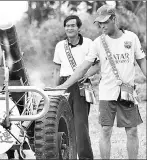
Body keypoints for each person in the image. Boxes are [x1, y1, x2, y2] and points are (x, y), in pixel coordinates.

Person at [56, 5, 147, 160]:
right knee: (105, 130)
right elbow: (82, 68)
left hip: (127, 92)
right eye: (99, 23)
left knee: (131, 131)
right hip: (107, 93)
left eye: (105, 22)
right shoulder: (98, 43)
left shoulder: (131, 38)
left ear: (114, 19)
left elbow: (142, 62)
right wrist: (63, 86)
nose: (102, 26)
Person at [48, 15, 100, 160]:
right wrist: (55, 89)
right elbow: (56, 70)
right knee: (62, 122)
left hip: (81, 86)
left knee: (80, 124)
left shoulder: (89, 43)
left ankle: (85, 157)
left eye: (73, 25)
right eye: (67, 25)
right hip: (63, 85)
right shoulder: (60, 46)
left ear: (78, 28)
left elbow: (97, 65)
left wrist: (86, 74)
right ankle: (67, 156)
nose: (69, 28)